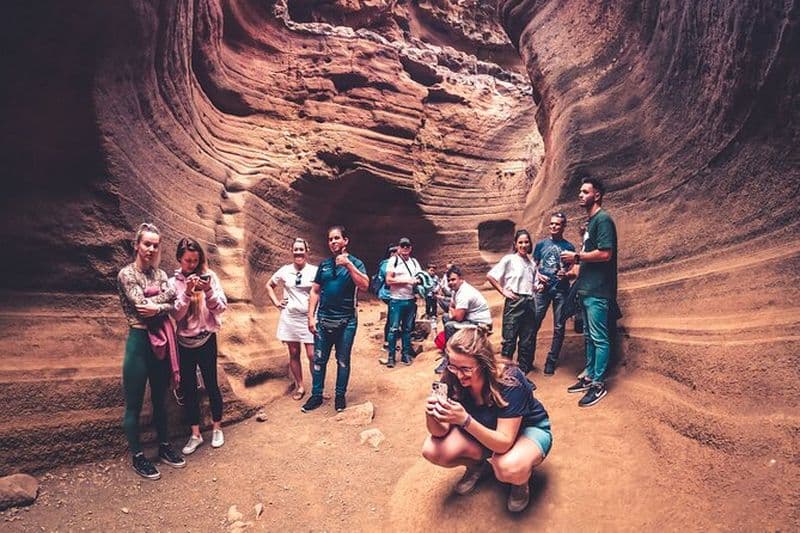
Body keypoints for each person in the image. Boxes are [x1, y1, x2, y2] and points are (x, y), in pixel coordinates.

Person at [421, 328, 552, 513]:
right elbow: (439, 432)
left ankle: (520, 483)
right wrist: (432, 413)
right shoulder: (451, 375)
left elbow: (504, 443)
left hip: (526, 430)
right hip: (485, 429)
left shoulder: (510, 380)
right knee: (432, 449)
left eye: (466, 369)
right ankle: (478, 466)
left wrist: (465, 420)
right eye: (452, 366)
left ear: (483, 364)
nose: (458, 375)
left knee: (507, 465)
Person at [117, 222, 185, 479]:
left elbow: (173, 301)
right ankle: (138, 456)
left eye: (155, 245)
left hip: (161, 341)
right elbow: (139, 304)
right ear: (137, 245)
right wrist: (162, 302)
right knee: (133, 403)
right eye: (147, 244)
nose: (151, 249)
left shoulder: (160, 274)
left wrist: (158, 307)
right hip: (138, 340)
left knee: (160, 397)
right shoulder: (126, 274)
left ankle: (165, 446)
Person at [561, 176, 618, 407]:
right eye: (580, 192)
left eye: (585, 191)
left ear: (597, 195)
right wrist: (572, 271)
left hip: (598, 291)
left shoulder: (603, 220)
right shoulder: (591, 223)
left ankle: (598, 384)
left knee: (599, 338)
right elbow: (590, 257)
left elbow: (606, 254)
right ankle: (589, 375)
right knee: (589, 338)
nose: (580, 195)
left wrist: (576, 256)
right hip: (586, 290)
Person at [169, 238, 228, 454]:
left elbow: (221, 308)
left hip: (206, 339)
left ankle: (217, 428)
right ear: (179, 259)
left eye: (195, 260)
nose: (192, 265)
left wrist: (208, 291)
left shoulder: (210, 277)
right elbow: (176, 314)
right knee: (189, 389)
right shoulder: (173, 282)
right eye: (187, 261)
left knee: (211, 383)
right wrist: (186, 293)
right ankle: (195, 434)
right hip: (184, 342)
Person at [302, 225, 369, 413]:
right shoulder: (324, 265)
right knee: (319, 359)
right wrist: (311, 317)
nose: (333, 242)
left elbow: (364, 285)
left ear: (345, 241)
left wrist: (348, 265)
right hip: (323, 319)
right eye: (330, 239)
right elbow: (315, 291)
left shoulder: (356, 263)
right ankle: (316, 395)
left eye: (337, 238)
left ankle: (340, 395)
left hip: (347, 320)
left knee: (342, 360)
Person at [267, 238, 318, 401]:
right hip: (289, 317)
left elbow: (319, 291)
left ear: (306, 251)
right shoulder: (285, 270)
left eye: (301, 249)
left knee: (312, 355)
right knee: (294, 352)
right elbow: (269, 285)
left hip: (308, 317)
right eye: (295, 249)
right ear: (292, 251)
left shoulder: (314, 271)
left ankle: (317, 387)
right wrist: (276, 302)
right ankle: (300, 386)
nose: (298, 252)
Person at [530, 213, 576, 376]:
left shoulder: (569, 247)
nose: (554, 226)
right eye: (552, 224)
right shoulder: (541, 245)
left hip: (561, 290)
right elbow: (533, 265)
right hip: (543, 290)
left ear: (564, 226)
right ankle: (527, 360)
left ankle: (551, 361)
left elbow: (573, 268)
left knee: (559, 327)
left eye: (557, 224)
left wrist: (567, 273)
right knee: (534, 323)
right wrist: (537, 276)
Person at [486, 229, 537, 373]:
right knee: (509, 339)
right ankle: (506, 373)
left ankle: (522, 373)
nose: (523, 245)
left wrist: (536, 287)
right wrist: (503, 291)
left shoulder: (531, 263)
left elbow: (529, 283)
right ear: (515, 244)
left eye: (526, 242)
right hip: (515, 302)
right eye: (520, 242)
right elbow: (491, 276)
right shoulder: (509, 259)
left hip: (529, 302)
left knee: (527, 340)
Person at [435, 265, 492, 373]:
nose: (451, 282)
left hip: (481, 324)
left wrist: (453, 312)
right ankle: (454, 348)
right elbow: (451, 307)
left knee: (449, 326)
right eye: (449, 280)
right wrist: (453, 312)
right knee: (446, 317)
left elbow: (459, 317)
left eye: (453, 279)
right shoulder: (455, 290)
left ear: (461, 279)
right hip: (470, 319)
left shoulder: (464, 292)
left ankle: (449, 358)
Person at [380, 237, 422, 368]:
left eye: (407, 246)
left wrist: (419, 283)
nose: (405, 248)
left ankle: (405, 355)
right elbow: (388, 280)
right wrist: (407, 281)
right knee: (393, 329)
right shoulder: (394, 261)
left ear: (410, 248)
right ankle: (391, 357)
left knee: (407, 329)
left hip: (410, 300)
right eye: (402, 246)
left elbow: (420, 277)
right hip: (396, 300)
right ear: (398, 248)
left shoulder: (414, 262)